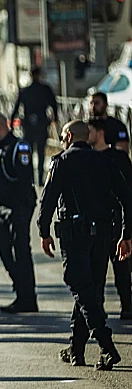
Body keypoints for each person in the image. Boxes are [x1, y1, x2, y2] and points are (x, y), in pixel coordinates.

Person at [38, 120, 132, 370]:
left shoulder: (62, 162)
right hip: (102, 234)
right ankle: (76, 349)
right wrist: (126, 234)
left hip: (74, 234)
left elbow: (48, 200)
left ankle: (106, 345)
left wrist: (43, 231)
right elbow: (127, 198)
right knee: (90, 289)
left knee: (79, 285)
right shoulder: (106, 161)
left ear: (69, 136)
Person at [0, 112, 38, 313]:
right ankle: (20, 289)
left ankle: (27, 297)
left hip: (18, 206)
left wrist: (19, 208)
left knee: (21, 251)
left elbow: (24, 178)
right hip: (2, 207)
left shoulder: (18, 147)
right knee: (4, 251)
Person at [87, 118, 132, 319]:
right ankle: (97, 308)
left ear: (100, 133)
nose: (86, 136)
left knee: (122, 266)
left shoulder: (118, 158)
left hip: (116, 218)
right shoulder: (84, 157)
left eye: (89, 132)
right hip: (94, 220)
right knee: (95, 268)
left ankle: (127, 306)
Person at [10, 66, 59, 185]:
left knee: (28, 152)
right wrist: (55, 119)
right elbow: (53, 105)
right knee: (40, 151)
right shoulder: (45, 89)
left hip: (28, 125)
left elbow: (16, 107)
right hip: (41, 123)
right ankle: (40, 178)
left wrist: (12, 121)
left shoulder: (25, 91)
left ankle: (31, 177)